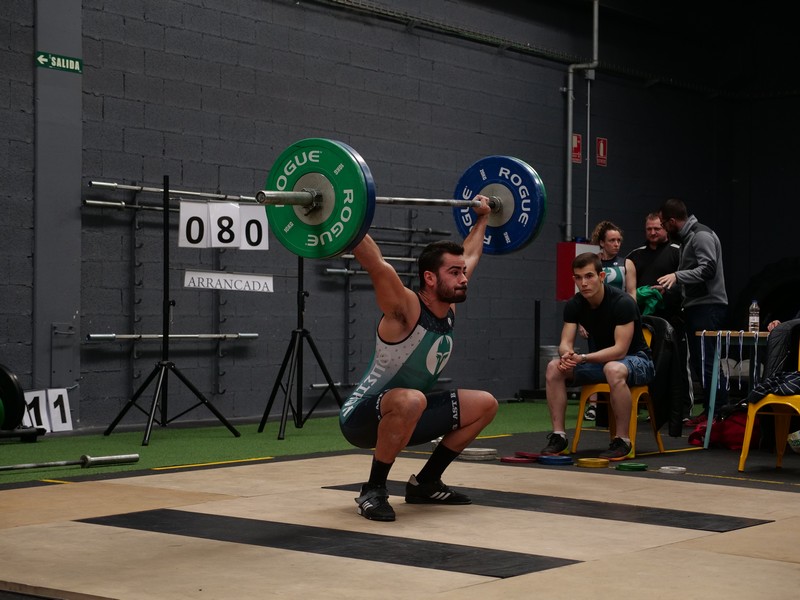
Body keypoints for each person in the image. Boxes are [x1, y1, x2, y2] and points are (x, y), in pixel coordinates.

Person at [339, 195, 498, 522]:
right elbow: (376, 264)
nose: (463, 278)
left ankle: (426, 483)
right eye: (454, 273)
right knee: (412, 399)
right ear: (430, 278)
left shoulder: (448, 304)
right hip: (362, 417)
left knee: (485, 404)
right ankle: (373, 489)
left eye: (463, 272)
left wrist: (483, 218)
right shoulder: (406, 309)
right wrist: (344, 215)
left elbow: (471, 253)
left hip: (410, 412)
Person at [540, 252, 655, 460]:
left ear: (601, 276)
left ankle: (623, 440)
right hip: (601, 363)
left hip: (637, 360)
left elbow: (620, 350)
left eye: (589, 276)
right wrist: (566, 355)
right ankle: (559, 437)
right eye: (578, 278)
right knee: (553, 368)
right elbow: (565, 342)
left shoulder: (622, 302)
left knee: (613, 368)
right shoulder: (575, 304)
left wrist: (583, 358)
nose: (583, 283)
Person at [657, 198, 728, 425]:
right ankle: (711, 410)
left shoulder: (700, 235)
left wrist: (677, 276)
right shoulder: (689, 238)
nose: (663, 230)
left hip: (708, 307)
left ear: (672, 221)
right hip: (698, 306)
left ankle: (718, 413)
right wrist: (670, 286)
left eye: (663, 224)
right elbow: (695, 275)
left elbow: (708, 269)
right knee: (700, 362)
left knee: (708, 361)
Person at [583, 220, 636, 422]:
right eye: (612, 240)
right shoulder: (592, 263)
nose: (616, 244)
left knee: (618, 361)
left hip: (619, 322)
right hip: (596, 321)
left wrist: (632, 318)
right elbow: (584, 294)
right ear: (602, 242)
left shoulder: (626, 264)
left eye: (619, 240)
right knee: (593, 359)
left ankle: (620, 402)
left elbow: (631, 293)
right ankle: (593, 405)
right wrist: (581, 322)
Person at [626, 212, 681, 322]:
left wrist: (667, 290)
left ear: (666, 228)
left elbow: (687, 282)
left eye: (657, 229)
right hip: (640, 316)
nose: (652, 232)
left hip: (670, 316)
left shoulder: (678, 252)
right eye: (649, 229)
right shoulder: (634, 255)